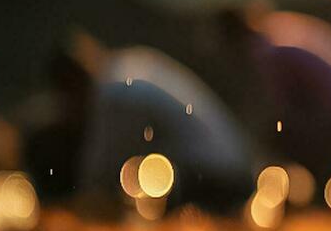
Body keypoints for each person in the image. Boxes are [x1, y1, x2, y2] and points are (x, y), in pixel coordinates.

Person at [23, 35, 253, 213]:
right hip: (234, 168)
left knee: (142, 180)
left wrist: (64, 211)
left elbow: (99, 174)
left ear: (71, 83)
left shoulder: (115, 93)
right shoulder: (129, 64)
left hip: (215, 181)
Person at [214, 3, 331, 197]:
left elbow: (276, 110)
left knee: (275, 137)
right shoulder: (277, 47)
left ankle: (284, 197)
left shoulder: (267, 56)